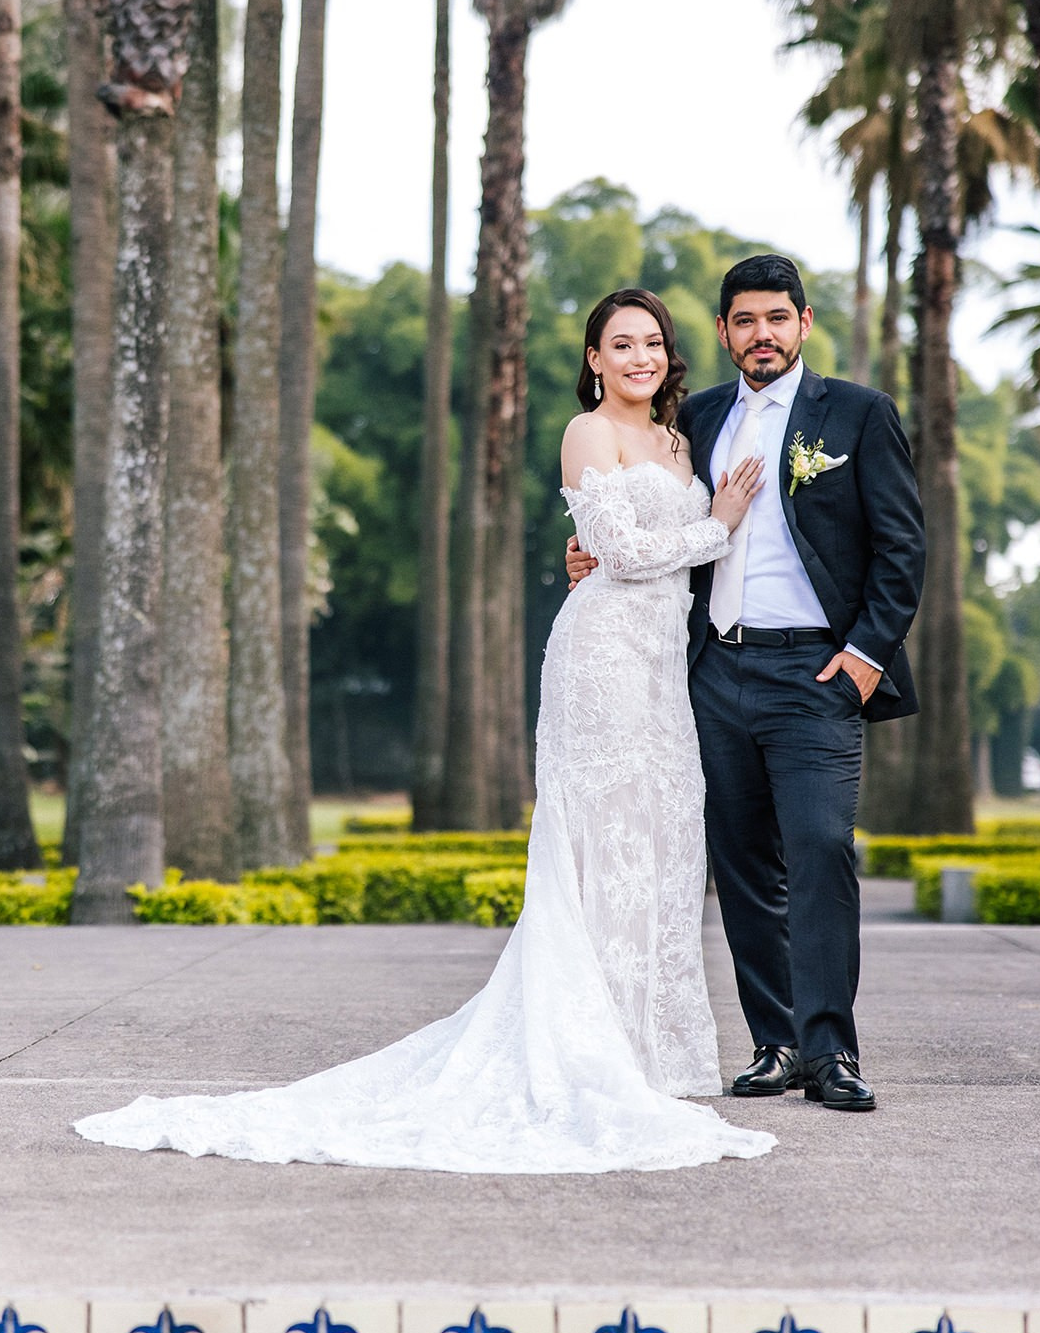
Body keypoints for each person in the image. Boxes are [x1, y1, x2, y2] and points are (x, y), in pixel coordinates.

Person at [74, 288, 776, 1173]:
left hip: (663, 672)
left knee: (663, 848)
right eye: (619, 344)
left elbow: (659, 552)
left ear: (669, 356)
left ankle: (656, 1056)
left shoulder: (681, 441)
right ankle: (587, 1051)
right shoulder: (587, 433)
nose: (639, 357)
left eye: (652, 343)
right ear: (593, 358)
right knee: (597, 849)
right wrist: (720, 524)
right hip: (598, 661)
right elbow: (625, 554)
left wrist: (710, 527)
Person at [566, 254, 924, 1112]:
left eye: (777, 318)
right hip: (709, 668)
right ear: (724, 332)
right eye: (744, 320)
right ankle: (777, 1043)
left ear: (803, 324)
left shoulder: (859, 416)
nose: (761, 334)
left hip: (815, 670)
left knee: (820, 848)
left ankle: (831, 1049)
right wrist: (582, 555)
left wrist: (867, 656)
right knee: (740, 864)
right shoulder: (697, 418)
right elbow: (633, 514)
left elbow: (903, 546)